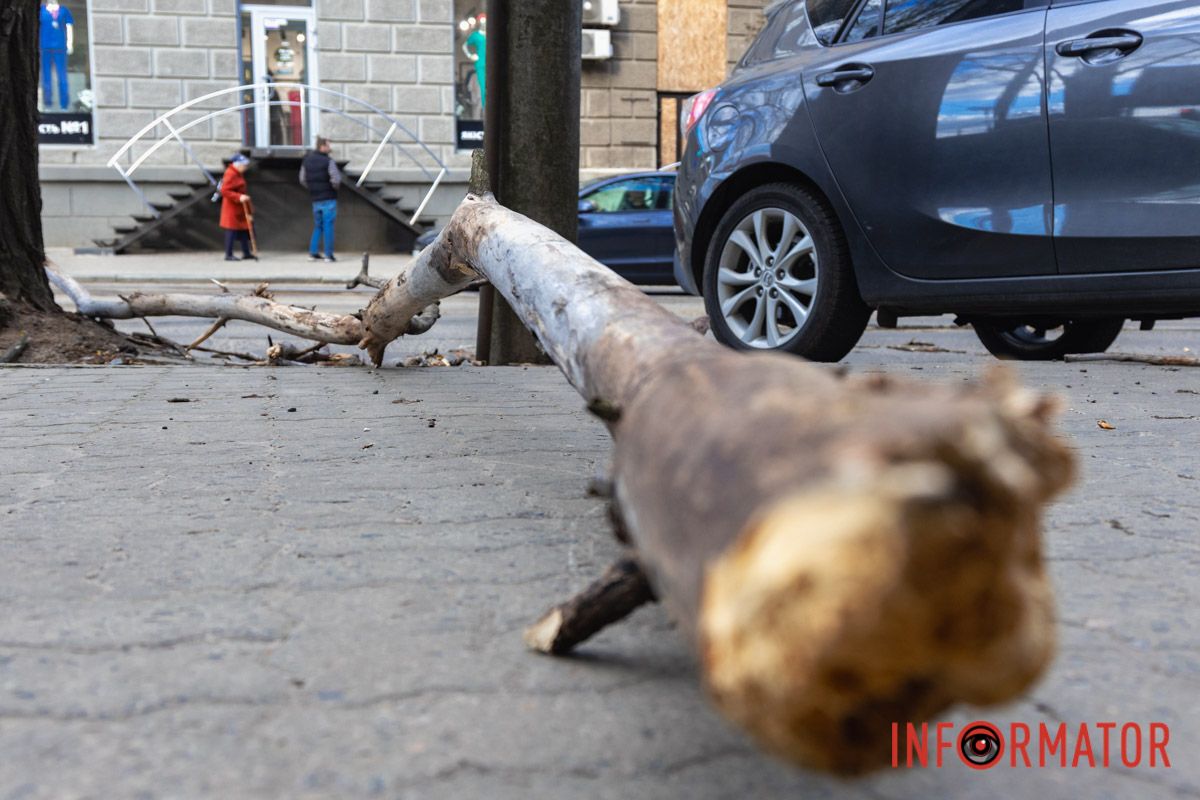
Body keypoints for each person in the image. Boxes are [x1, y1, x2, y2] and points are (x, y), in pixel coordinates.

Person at [299, 137, 342, 262]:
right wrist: (334, 189)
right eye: (328, 146)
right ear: (322, 147)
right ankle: (328, 255)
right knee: (328, 226)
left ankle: (313, 253)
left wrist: (313, 188)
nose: (330, 148)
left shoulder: (306, 161)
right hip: (329, 198)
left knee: (318, 226)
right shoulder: (328, 161)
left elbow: (302, 179)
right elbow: (336, 180)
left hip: (315, 199)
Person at [219, 154, 256, 262]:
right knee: (232, 230)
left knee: (245, 229)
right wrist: (239, 197)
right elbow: (224, 190)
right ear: (238, 165)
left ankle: (246, 252)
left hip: (240, 206)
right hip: (232, 207)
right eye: (244, 165)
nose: (246, 167)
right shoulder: (230, 174)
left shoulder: (237, 173)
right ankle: (228, 254)